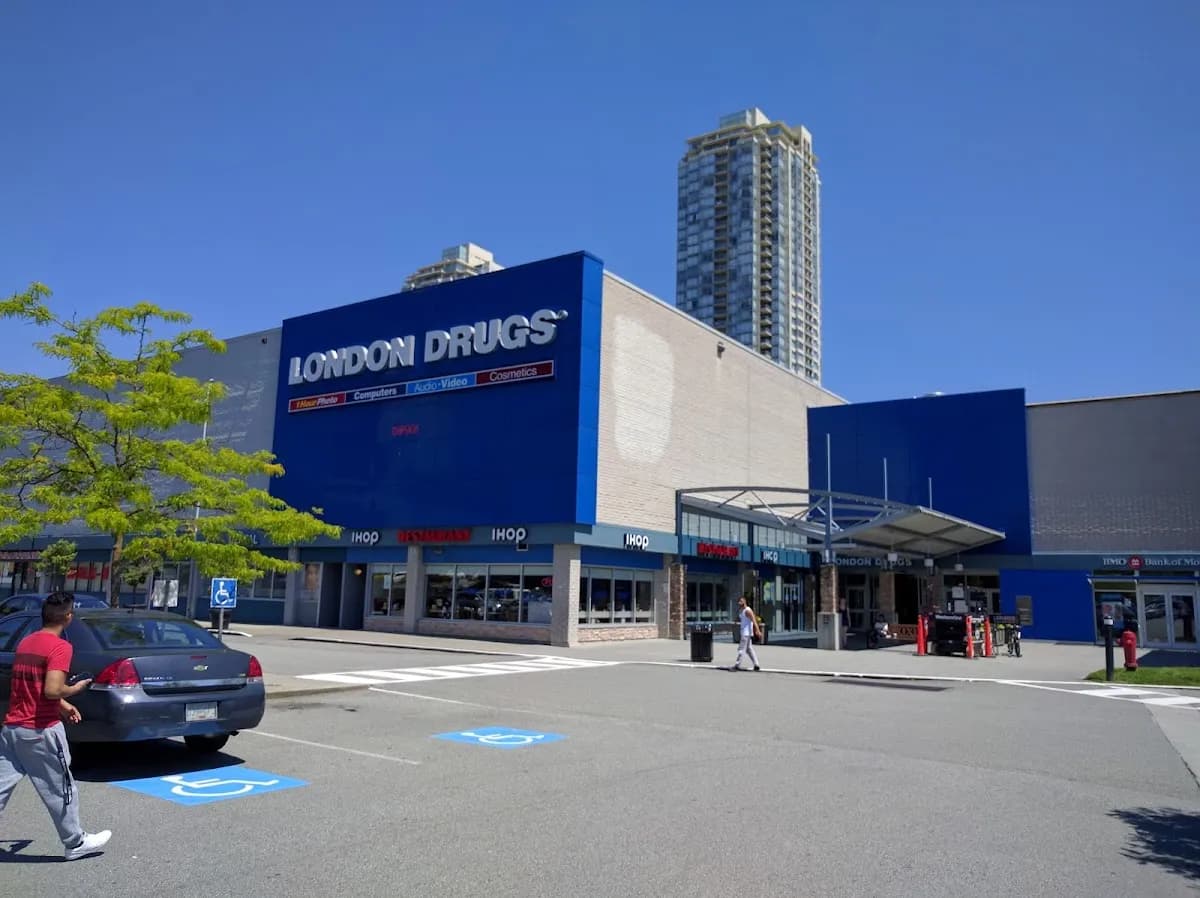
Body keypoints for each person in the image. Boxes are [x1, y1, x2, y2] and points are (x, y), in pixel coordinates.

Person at [0, 592, 111, 860]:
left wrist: (63, 705)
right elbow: (51, 689)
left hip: (12, 729)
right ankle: (75, 842)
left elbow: (32, 685)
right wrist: (75, 689)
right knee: (62, 787)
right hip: (41, 732)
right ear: (68, 617)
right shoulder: (60, 647)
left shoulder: (27, 642)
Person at [728, 596, 762, 671]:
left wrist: (758, 630)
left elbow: (754, 620)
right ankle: (756, 664)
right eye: (739, 601)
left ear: (744, 602)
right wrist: (735, 621)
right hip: (745, 632)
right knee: (749, 649)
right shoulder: (742, 610)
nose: (739, 603)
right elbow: (741, 618)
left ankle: (737, 665)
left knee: (741, 649)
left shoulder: (748, 610)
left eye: (741, 601)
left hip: (746, 633)